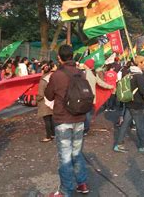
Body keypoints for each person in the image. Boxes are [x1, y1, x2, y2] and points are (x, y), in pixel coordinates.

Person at [44, 45, 89, 197]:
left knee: (65, 156)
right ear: (72, 56)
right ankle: (82, 184)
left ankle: (65, 191)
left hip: (63, 119)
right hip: (80, 118)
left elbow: (49, 96)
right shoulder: (81, 73)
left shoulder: (57, 75)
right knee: (77, 153)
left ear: (59, 57)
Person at [114, 55, 144, 153]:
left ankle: (118, 144)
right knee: (140, 125)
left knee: (125, 124)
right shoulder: (139, 75)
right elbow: (143, 91)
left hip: (129, 102)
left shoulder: (129, 73)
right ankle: (143, 145)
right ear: (140, 63)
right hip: (137, 103)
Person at [83, 59, 113, 133]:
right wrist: (110, 86)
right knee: (88, 113)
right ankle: (86, 128)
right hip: (92, 96)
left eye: (84, 63)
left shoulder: (84, 74)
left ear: (87, 65)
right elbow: (101, 83)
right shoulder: (93, 74)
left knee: (85, 113)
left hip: (84, 96)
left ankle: (85, 128)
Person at [37, 61, 57, 142]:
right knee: (51, 118)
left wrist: (37, 99)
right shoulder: (52, 77)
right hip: (52, 100)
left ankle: (48, 136)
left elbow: (40, 93)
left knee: (47, 119)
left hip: (44, 102)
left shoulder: (43, 80)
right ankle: (53, 134)